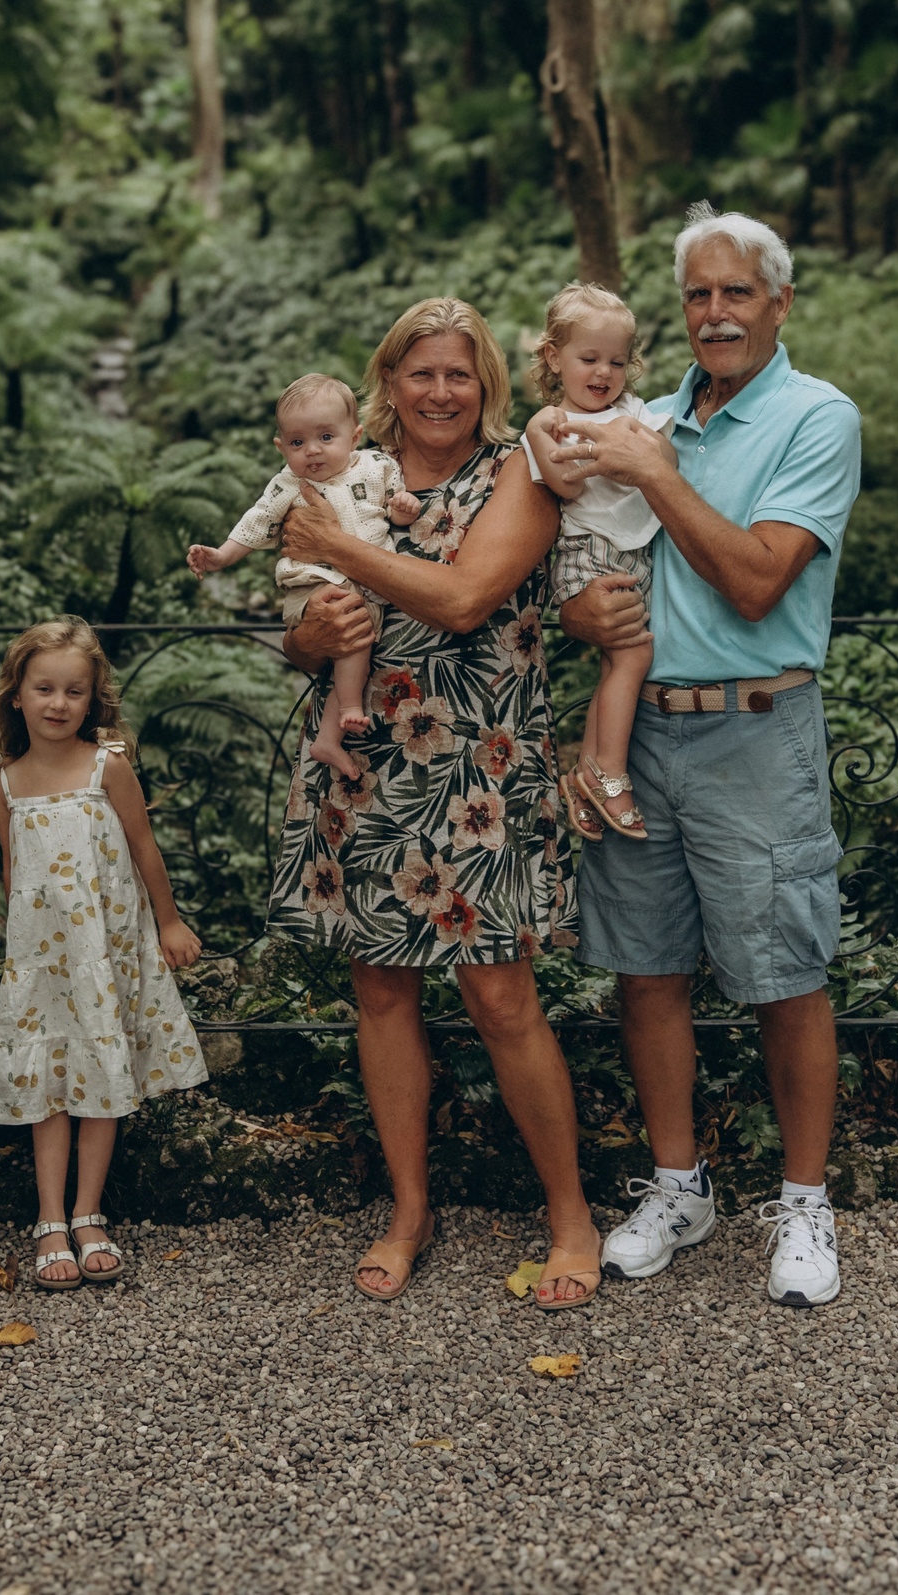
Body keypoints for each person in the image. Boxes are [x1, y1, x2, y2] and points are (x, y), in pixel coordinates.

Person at [555, 203, 863, 1308]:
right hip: (638, 729)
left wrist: (653, 472)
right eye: (698, 294)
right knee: (645, 972)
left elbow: (753, 580)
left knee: (782, 973)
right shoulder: (639, 413)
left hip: (755, 729)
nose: (716, 312)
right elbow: (571, 541)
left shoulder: (815, 419)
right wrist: (578, 620)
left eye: (737, 292)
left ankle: (803, 1203)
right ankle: (679, 1188)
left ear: (780, 302)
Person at [269, 296, 603, 1311]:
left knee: (502, 997)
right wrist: (311, 639)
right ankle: (408, 1209)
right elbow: (294, 630)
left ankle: (571, 1216)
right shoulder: (347, 469)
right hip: (367, 758)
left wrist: (334, 545)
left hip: (477, 771)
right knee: (379, 993)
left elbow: (463, 598)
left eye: (460, 374)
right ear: (390, 381)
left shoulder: (520, 473)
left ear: (488, 384)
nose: (441, 392)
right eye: (422, 374)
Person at [0, 618, 208, 1289]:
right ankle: (49, 1215)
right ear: (16, 694)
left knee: (101, 1068)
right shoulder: (6, 783)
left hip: (103, 950)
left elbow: (143, 848)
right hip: (43, 960)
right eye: (43, 687)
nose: (58, 702)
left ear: (92, 697)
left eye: (74, 690)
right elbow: (17, 875)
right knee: (48, 1075)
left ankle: (88, 1211)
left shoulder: (110, 766)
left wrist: (168, 921)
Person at [188, 373, 422, 781]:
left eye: (326, 437)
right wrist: (221, 556)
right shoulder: (289, 485)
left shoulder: (377, 467)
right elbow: (256, 522)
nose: (312, 451)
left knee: (355, 648)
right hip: (312, 584)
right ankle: (349, 710)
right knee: (354, 642)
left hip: (368, 585)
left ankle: (329, 738)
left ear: (355, 435)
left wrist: (404, 507)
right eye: (297, 443)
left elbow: (395, 512)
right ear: (282, 447)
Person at [519, 281, 668, 841]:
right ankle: (606, 771)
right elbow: (567, 486)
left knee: (620, 661)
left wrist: (634, 439)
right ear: (555, 358)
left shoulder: (632, 411)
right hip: (589, 550)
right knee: (634, 655)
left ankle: (589, 773)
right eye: (589, 359)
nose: (604, 373)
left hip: (633, 547)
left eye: (617, 362)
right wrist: (593, 442)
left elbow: (666, 462)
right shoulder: (549, 421)